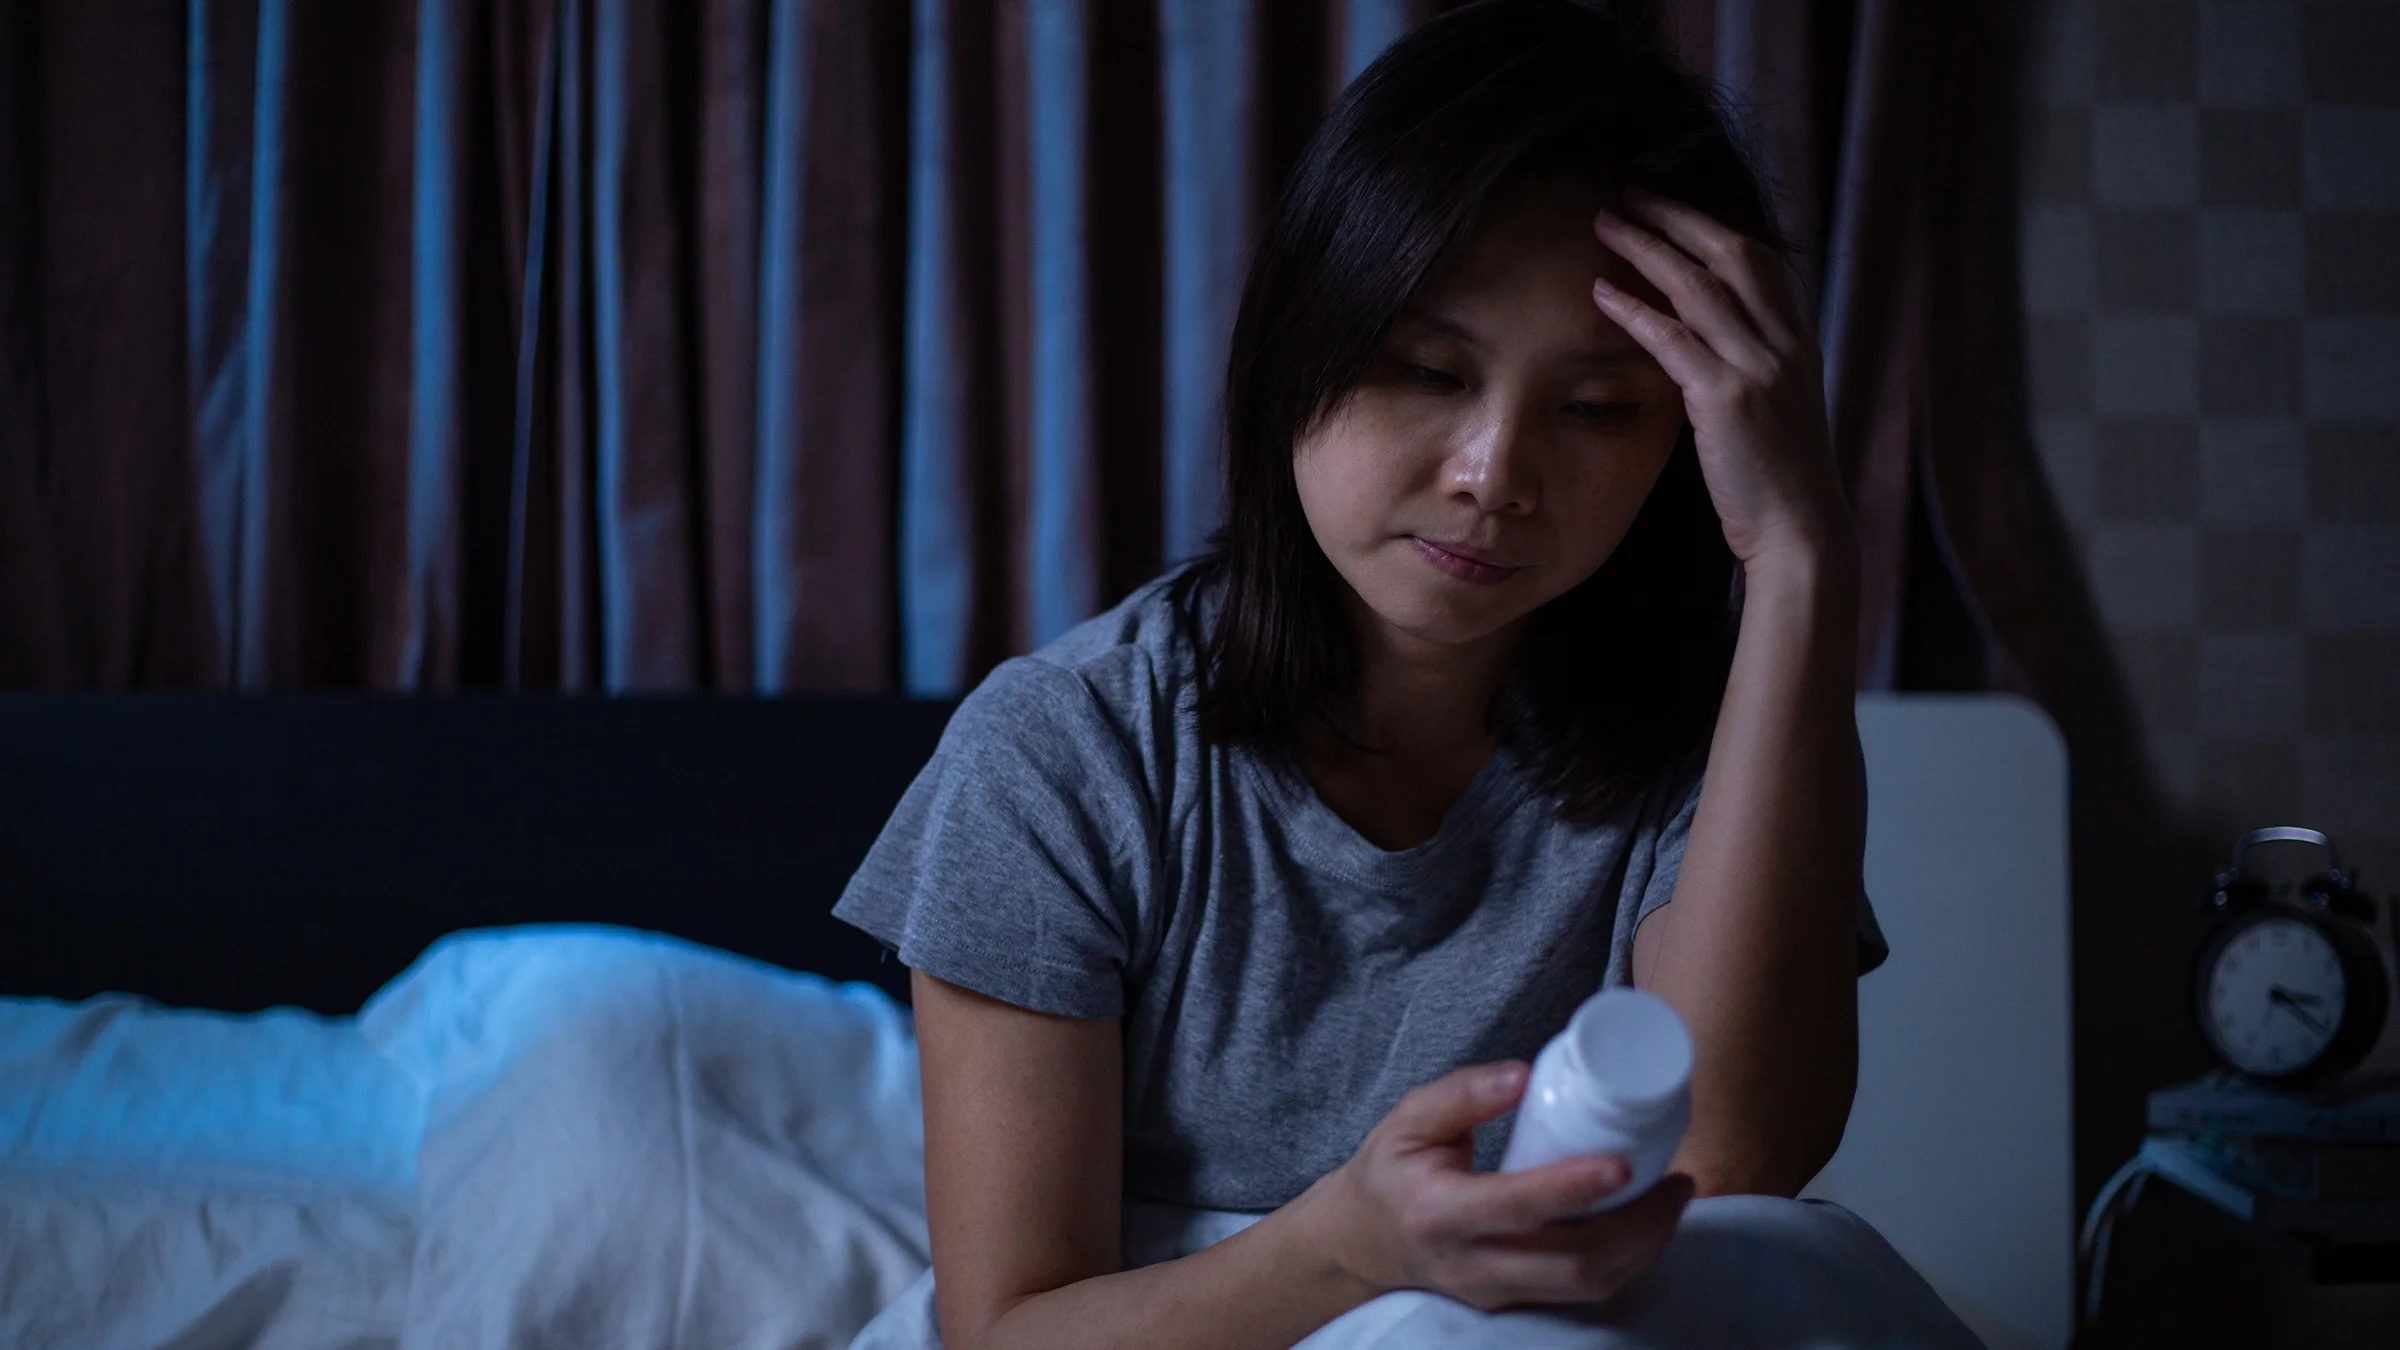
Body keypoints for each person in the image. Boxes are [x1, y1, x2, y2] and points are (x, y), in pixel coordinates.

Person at [834, 2, 1924, 1346]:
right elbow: (1008, 1329)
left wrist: (1803, 553)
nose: (1495, 472)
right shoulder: (1064, 756)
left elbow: (1737, 1158)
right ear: (1301, 340)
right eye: (1426, 368)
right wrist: (1353, 1250)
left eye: (1596, 409)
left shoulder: (1716, 744)